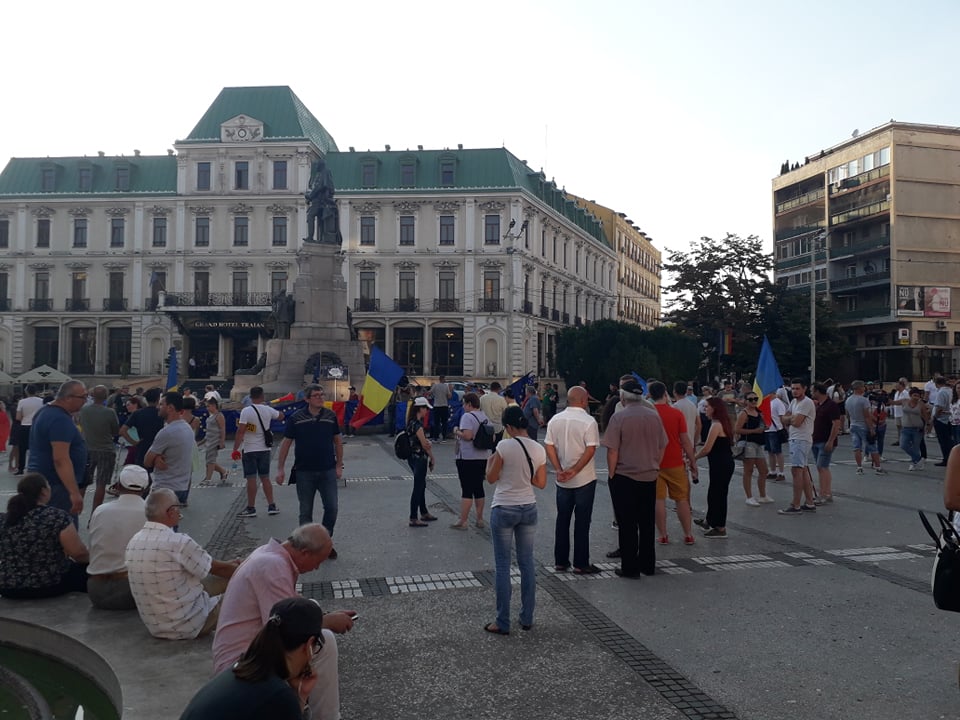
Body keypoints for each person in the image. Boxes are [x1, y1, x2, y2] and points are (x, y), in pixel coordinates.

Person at [212, 525, 354, 720]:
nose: (317, 568)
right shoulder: (274, 567)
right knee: (324, 641)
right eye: (318, 561)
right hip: (241, 662)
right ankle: (327, 717)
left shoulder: (270, 554)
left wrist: (325, 615)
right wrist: (329, 621)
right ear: (304, 552)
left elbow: (291, 608)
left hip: (243, 652)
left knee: (311, 608)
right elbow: (289, 627)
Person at [181, 597, 327, 720]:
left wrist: (300, 694)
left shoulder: (241, 669)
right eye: (316, 646)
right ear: (308, 645)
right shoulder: (277, 695)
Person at [126, 488, 239, 639]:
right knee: (246, 585)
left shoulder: (134, 541)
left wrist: (231, 565)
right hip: (190, 623)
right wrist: (247, 567)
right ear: (171, 511)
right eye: (179, 507)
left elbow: (209, 567)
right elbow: (216, 569)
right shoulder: (178, 542)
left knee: (226, 576)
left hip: (156, 625)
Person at [483, 405, 547, 634]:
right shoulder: (538, 449)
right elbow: (541, 483)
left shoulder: (504, 446)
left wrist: (492, 462)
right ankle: (527, 617)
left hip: (504, 507)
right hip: (528, 507)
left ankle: (502, 621)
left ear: (508, 427)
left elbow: (490, 478)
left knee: (502, 565)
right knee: (527, 562)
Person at [602, 379, 668, 575]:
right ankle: (648, 565)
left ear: (623, 396)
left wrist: (612, 473)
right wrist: (655, 464)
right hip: (649, 474)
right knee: (647, 522)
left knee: (627, 523)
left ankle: (630, 567)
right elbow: (663, 444)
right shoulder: (654, 416)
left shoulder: (619, 417)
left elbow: (612, 450)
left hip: (625, 475)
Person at [276, 385, 344, 557]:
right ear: (307, 399)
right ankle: (305, 547)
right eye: (316, 395)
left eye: (322, 395)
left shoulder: (330, 416)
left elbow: (337, 440)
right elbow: (286, 443)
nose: (320, 398)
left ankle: (325, 543)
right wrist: (280, 468)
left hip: (327, 469)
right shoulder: (296, 418)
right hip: (304, 471)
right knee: (305, 511)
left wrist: (339, 464)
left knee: (332, 507)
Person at [0, 473, 89, 598]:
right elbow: (78, 553)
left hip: (8, 586)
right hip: (48, 584)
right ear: (43, 491)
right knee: (87, 573)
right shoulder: (56, 516)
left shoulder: (4, 518)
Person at [545, 386, 601, 572]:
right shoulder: (588, 421)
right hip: (584, 478)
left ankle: (560, 561)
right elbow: (591, 448)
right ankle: (580, 563)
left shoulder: (555, 420)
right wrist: (575, 470)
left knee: (562, 519)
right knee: (582, 521)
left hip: (562, 479)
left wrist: (559, 469)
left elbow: (549, 446)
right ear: (584, 401)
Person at [86, 465, 149, 610]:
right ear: (145, 488)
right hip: (131, 590)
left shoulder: (100, 511)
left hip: (95, 590)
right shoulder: (151, 514)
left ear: (118, 485)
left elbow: (92, 548)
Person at [26, 380, 88, 521]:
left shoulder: (45, 411)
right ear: (67, 398)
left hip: (44, 480)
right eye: (83, 397)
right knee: (62, 527)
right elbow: (60, 459)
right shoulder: (59, 419)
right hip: (57, 484)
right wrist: (74, 492)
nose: (85, 400)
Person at [650, 381, 699, 544]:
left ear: (650, 395)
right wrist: (692, 462)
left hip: (654, 463)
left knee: (658, 500)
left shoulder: (649, 414)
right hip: (675, 462)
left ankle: (663, 535)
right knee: (681, 499)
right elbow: (685, 440)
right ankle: (688, 534)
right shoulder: (676, 414)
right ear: (665, 394)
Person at [233, 386, 283, 518]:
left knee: (251, 479)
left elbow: (241, 430)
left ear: (250, 397)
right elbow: (281, 416)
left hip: (249, 448)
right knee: (265, 477)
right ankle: (271, 505)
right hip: (265, 449)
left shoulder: (246, 411)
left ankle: (251, 507)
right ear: (262, 396)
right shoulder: (267, 409)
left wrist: (235, 449)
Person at [144, 392, 197, 509]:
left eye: (161, 404)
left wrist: (155, 457)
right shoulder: (187, 427)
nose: (158, 407)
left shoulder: (167, 432)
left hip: (165, 487)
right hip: (181, 486)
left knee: (156, 525)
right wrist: (157, 457)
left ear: (170, 408)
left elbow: (147, 461)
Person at [692, 398, 736, 538]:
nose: (705, 409)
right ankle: (710, 520)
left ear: (714, 409)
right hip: (721, 463)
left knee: (718, 494)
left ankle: (720, 527)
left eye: (707, 407)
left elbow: (707, 448)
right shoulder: (722, 422)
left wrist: (693, 458)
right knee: (714, 492)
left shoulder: (716, 425)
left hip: (721, 463)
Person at [777, 379, 819, 515]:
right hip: (795, 438)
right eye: (793, 388)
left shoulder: (806, 402)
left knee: (796, 471)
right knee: (803, 470)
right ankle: (809, 502)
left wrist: (790, 419)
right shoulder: (794, 402)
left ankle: (795, 505)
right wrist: (790, 419)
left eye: (797, 388)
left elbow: (797, 422)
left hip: (801, 439)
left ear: (804, 389)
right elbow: (784, 418)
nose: (794, 391)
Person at [451, 393, 491, 529]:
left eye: (464, 403)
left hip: (467, 457)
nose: (463, 406)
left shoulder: (467, 416)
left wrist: (457, 431)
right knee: (479, 488)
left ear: (469, 404)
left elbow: (467, 436)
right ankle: (480, 519)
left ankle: (463, 520)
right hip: (482, 457)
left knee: (467, 489)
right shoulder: (484, 416)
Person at [79, 385, 120, 513]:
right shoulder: (110, 412)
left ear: (92, 396)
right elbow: (115, 431)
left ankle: (77, 511)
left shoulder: (84, 410)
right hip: (106, 450)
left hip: (88, 449)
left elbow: (80, 424)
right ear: (106, 397)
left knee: (83, 482)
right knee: (101, 484)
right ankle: (94, 514)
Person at [735, 391, 773, 506]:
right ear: (746, 401)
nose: (754, 401)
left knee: (764, 470)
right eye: (751, 399)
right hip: (748, 443)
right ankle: (749, 496)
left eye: (755, 399)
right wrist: (754, 431)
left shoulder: (758, 412)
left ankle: (762, 495)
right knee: (749, 470)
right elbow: (737, 429)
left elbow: (761, 425)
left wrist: (764, 428)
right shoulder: (744, 413)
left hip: (758, 443)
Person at [405, 397, 437, 527]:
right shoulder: (417, 425)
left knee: (421, 485)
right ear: (420, 409)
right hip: (420, 458)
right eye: (426, 409)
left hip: (411, 457)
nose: (427, 412)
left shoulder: (410, 422)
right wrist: (432, 457)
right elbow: (424, 444)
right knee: (418, 487)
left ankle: (423, 512)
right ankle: (413, 517)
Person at [809, 383, 842, 505]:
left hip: (825, 441)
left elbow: (836, 423)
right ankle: (826, 493)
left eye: (813, 391)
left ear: (818, 391)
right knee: (821, 467)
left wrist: (831, 441)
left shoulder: (831, 405)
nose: (812, 394)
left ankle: (824, 494)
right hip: (816, 440)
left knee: (822, 467)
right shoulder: (819, 405)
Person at [119, 387, 164, 468]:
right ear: (158, 399)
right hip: (159, 447)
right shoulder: (162, 413)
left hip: (142, 446)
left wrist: (134, 442)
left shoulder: (138, 413)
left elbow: (122, 431)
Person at [846, 380, 884, 475]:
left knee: (857, 447)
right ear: (859, 388)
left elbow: (847, 415)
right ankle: (878, 467)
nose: (865, 388)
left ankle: (859, 467)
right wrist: (871, 428)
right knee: (872, 446)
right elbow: (867, 416)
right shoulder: (864, 400)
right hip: (863, 425)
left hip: (853, 424)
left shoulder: (848, 400)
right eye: (863, 386)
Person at [889, 387, 930, 470]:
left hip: (917, 429)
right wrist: (887, 397)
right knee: (903, 444)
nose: (916, 397)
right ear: (910, 395)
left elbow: (925, 416)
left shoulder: (921, 404)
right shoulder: (904, 401)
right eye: (914, 395)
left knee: (916, 447)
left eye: (918, 396)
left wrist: (927, 426)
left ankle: (915, 463)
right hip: (906, 428)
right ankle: (919, 459)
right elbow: (893, 402)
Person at [15, 384, 44, 474]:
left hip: (25, 425)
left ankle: (21, 468)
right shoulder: (41, 401)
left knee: (22, 448)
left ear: (26, 391)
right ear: (36, 392)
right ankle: (38, 466)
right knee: (37, 448)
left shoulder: (22, 402)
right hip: (37, 426)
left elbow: (18, 417)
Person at [764, 388, 788, 481]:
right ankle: (773, 471)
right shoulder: (767, 402)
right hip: (767, 429)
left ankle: (781, 473)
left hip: (775, 430)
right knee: (770, 452)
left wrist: (783, 428)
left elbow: (782, 417)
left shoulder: (777, 402)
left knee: (777, 451)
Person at [203, 398, 228, 484]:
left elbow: (222, 428)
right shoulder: (211, 415)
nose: (207, 408)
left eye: (208, 406)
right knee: (208, 461)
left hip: (215, 440)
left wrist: (222, 441)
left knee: (210, 460)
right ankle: (223, 471)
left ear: (214, 406)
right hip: (208, 440)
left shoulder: (219, 416)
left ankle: (208, 478)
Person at [931, 375, 955, 466]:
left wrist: (935, 416)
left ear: (936, 384)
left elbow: (939, 407)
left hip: (941, 419)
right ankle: (951, 458)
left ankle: (946, 459)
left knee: (944, 441)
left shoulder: (941, 392)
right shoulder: (950, 391)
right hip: (949, 418)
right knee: (950, 440)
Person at [428, 376, 451, 441]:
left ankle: (436, 437)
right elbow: (449, 396)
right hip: (444, 405)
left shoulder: (435, 386)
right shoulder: (446, 386)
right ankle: (444, 437)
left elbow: (429, 393)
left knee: (436, 422)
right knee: (444, 422)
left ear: (439, 379)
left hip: (437, 405)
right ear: (443, 379)